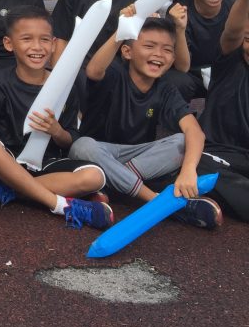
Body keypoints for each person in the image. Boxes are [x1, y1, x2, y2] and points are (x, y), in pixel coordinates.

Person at [0, 6, 114, 229]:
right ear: (9, 43)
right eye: (27, 39)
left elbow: (70, 140)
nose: (37, 47)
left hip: (48, 163)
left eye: (44, 39)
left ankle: (9, 190)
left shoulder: (65, 85)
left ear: (54, 44)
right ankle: (62, 205)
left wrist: (57, 131)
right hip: (8, 159)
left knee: (95, 177)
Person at [68, 15, 222, 228]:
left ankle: (112, 184)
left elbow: (194, 131)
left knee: (182, 141)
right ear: (127, 52)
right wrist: (122, 28)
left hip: (136, 161)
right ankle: (155, 201)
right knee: (82, 145)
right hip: (98, 154)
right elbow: (93, 70)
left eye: (167, 49)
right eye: (149, 46)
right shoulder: (114, 74)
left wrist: (189, 170)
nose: (158, 54)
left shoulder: (165, 89)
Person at [197, 0, 249, 221]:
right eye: (248, 39)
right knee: (193, 162)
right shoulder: (231, 62)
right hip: (219, 153)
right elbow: (232, 33)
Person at [176, 0, 237, 100]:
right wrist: (179, 29)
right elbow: (182, 67)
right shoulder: (180, 12)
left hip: (228, 73)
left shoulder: (236, 7)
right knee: (177, 81)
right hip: (193, 76)